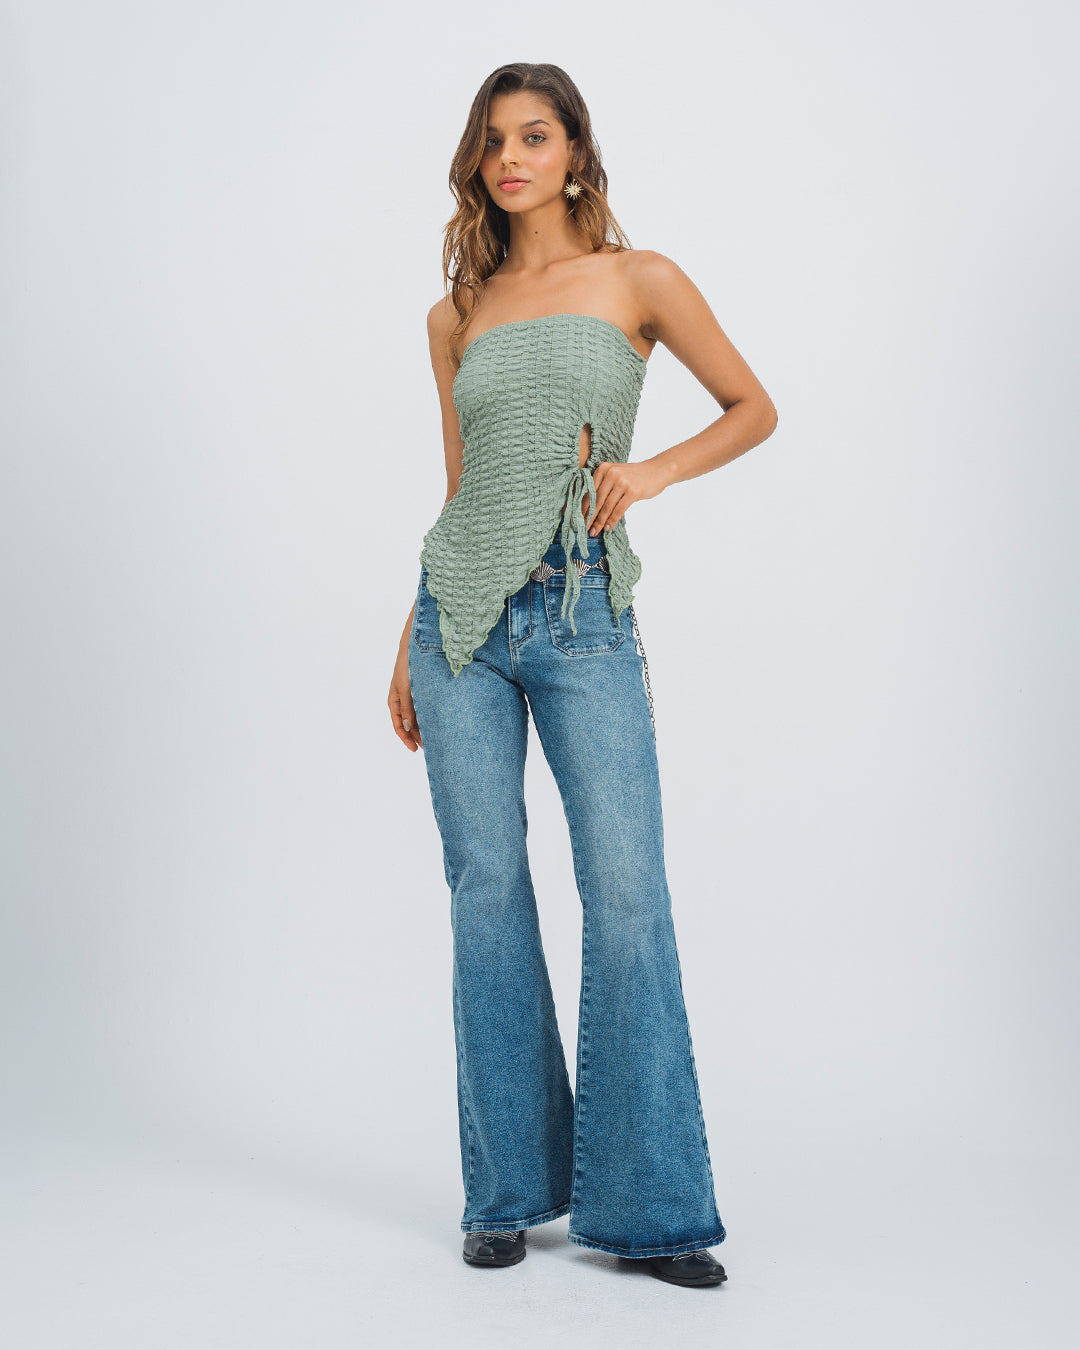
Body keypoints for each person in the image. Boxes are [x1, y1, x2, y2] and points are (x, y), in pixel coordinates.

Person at [387, 62, 777, 1289]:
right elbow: (463, 490)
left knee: (626, 895)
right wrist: (404, 639)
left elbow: (752, 406)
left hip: (581, 613)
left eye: (535, 135)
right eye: (494, 140)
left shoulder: (637, 279)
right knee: (485, 893)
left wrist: (649, 474)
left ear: (573, 154)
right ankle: (505, 1192)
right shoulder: (455, 313)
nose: (511, 157)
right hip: (457, 627)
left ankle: (653, 1208)